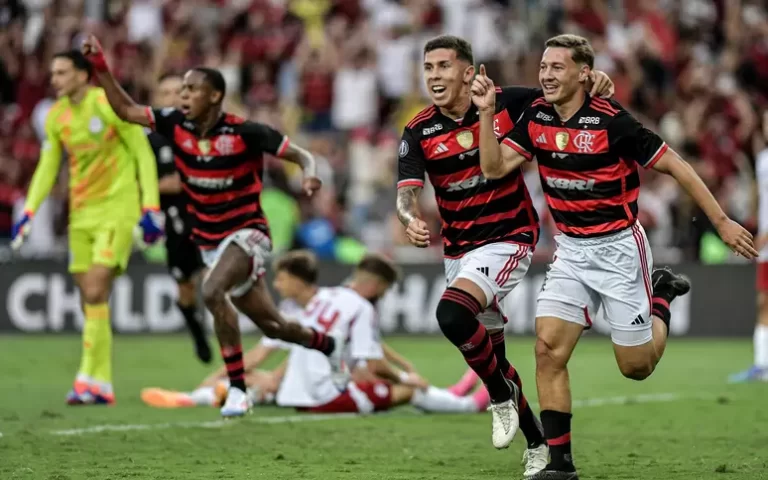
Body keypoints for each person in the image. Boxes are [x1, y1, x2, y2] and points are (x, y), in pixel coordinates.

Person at [472, 34, 757, 480]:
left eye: (557, 67)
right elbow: (493, 169)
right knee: (547, 349)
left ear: (583, 73)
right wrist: (487, 113)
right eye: (543, 66)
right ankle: (561, 465)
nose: (545, 74)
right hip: (570, 249)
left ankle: (660, 295)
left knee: (636, 368)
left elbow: (676, 164)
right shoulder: (536, 117)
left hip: (619, 249)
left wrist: (721, 222)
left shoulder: (613, 122)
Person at [80, 35, 344, 418]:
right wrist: (100, 66)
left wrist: (310, 174)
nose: (183, 96)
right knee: (274, 326)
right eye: (181, 89)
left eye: (192, 89)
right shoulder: (173, 124)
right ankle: (329, 346)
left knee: (211, 289)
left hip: (248, 233)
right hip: (209, 239)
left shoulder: (244, 132)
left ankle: (237, 390)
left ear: (216, 96)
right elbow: (126, 109)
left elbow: (300, 154)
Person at [395, 34, 614, 472]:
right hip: (459, 249)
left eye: (443, 66)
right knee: (490, 355)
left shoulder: (508, 102)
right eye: (428, 68)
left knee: (452, 315)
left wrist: (595, 84)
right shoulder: (419, 129)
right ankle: (536, 443)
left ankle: (498, 397)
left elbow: (564, 93)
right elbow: (407, 192)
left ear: (468, 71)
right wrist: (408, 217)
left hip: (509, 236)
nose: (434, 76)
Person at [142, 251, 490, 415]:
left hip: (303, 386)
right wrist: (407, 377)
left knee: (258, 378)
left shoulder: (326, 298)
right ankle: (464, 404)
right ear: (375, 285)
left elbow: (318, 345)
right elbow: (372, 359)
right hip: (323, 394)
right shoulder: (359, 306)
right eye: (383, 290)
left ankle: (202, 394)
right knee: (402, 390)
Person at [11, 50, 163, 406]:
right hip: (80, 215)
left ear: (83, 75)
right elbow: (49, 165)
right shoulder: (56, 116)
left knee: (95, 288)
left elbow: (142, 152)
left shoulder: (107, 104)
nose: (55, 80)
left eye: (62, 72)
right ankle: (102, 383)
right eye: (53, 73)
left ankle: (84, 376)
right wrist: (30, 211)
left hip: (117, 209)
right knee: (91, 300)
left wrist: (150, 206)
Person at [148, 72, 211, 364]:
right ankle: (195, 327)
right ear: (157, 99)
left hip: (207, 215)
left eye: (179, 91)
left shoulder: (203, 130)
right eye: (166, 92)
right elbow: (143, 182)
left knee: (214, 281)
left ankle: (226, 345)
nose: (173, 97)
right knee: (185, 286)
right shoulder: (150, 140)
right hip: (174, 219)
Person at [730, 120, 768, 383]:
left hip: (767, 240)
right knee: (763, 302)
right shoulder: (763, 159)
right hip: (766, 243)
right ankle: (761, 365)